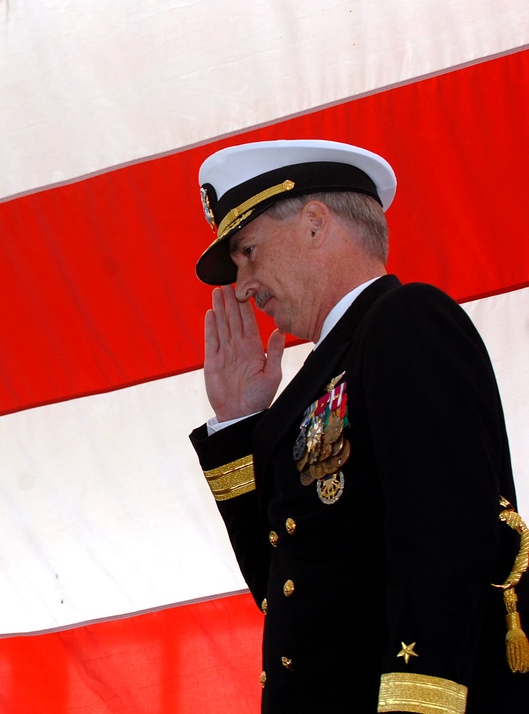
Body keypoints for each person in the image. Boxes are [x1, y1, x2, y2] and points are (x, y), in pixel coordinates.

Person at [187, 139, 528, 713]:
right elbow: (287, 587)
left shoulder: (405, 321)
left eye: (248, 251)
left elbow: (446, 544)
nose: (242, 286)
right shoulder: (321, 380)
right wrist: (239, 421)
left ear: (315, 224)